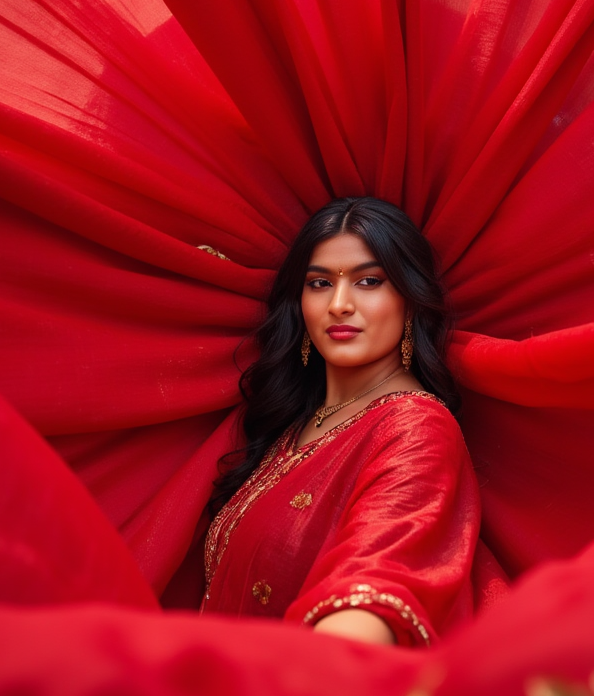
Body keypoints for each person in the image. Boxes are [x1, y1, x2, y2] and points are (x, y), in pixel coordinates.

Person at [201, 197, 480, 645]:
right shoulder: (295, 425)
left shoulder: (416, 427)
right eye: (319, 283)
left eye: (369, 281)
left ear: (409, 301)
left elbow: (375, 585)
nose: (340, 304)